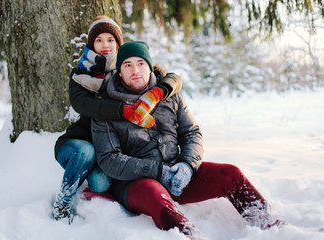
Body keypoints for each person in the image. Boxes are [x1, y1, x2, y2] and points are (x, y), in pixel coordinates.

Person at [91, 41, 285, 239]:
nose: (135, 70)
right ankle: (191, 236)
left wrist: (187, 165)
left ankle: (272, 225)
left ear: (149, 67)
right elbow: (109, 159)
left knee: (231, 174)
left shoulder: (169, 96)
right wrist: (157, 171)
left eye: (141, 63)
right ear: (120, 72)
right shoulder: (107, 109)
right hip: (136, 183)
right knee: (153, 193)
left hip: (177, 173)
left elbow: (191, 132)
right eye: (128, 65)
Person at [52, 16, 183, 224]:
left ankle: (99, 184)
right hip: (81, 142)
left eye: (111, 40)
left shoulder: (128, 67)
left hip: (108, 149)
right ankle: (63, 202)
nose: (105, 45)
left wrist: (158, 91)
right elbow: (84, 105)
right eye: (99, 40)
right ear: (91, 44)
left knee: (101, 183)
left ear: (118, 43)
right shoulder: (81, 75)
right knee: (85, 152)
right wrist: (125, 111)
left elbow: (171, 77)